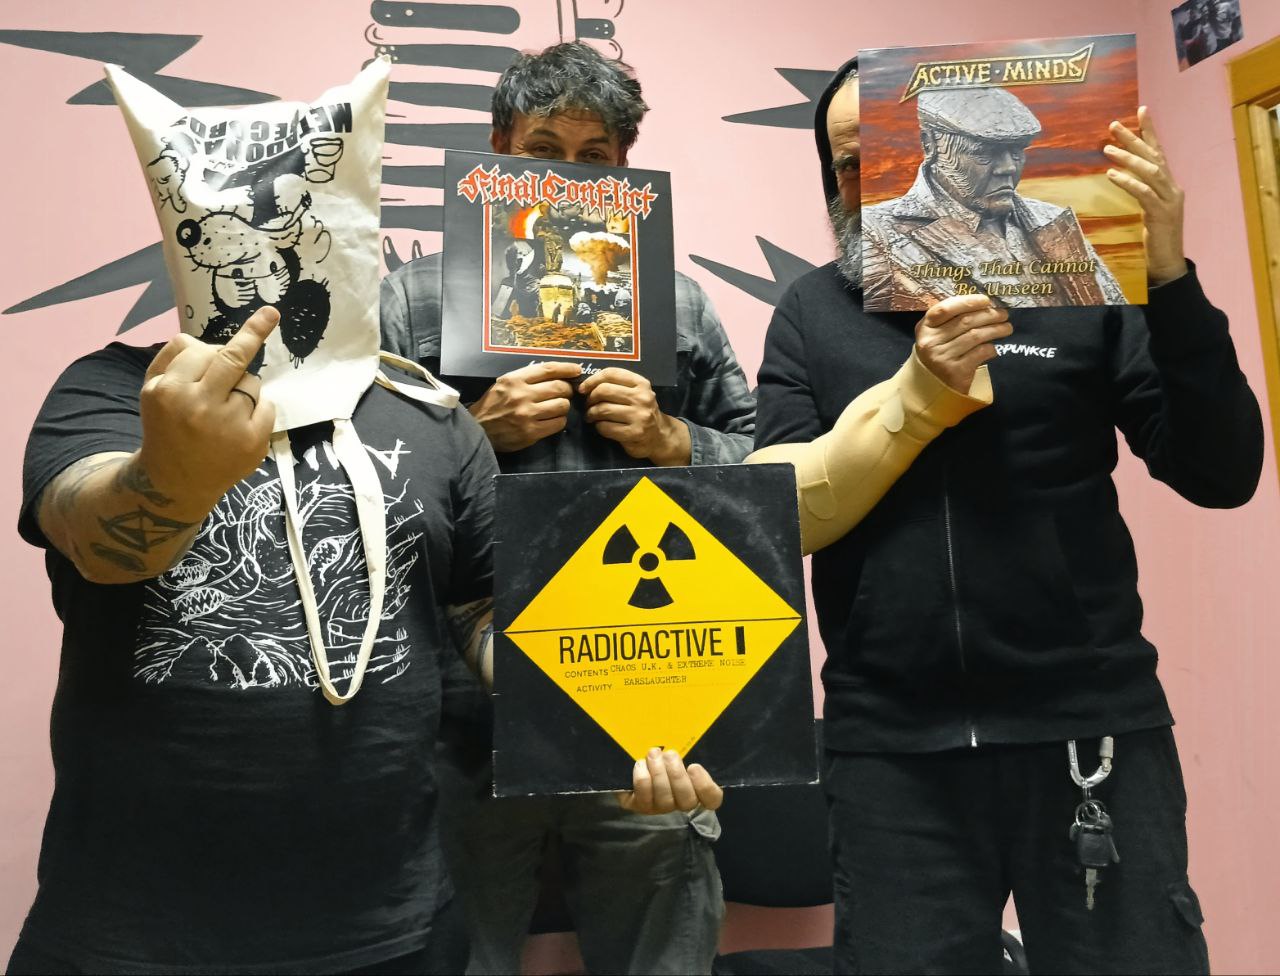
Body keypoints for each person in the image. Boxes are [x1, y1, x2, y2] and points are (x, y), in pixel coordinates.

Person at [6, 307, 722, 976]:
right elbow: (97, 542)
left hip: (392, 926)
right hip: (126, 929)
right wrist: (174, 473)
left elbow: (480, 610)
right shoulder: (114, 388)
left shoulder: (433, 415)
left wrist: (621, 732)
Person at [750, 59, 1263, 974]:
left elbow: (1222, 474)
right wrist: (919, 392)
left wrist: (1170, 279)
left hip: (1092, 726)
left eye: (1014, 151)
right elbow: (778, 519)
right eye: (846, 163)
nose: (862, 181)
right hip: (893, 751)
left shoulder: (1073, 265)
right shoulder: (811, 311)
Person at [380, 41, 754, 976]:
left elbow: (767, 479)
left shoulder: (680, 306)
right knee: (452, 956)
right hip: (458, 716)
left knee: (662, 953)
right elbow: (350, 488)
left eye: (595, 157)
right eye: (543, 151)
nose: (568, 175)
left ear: (626, 171)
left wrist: (675, 440)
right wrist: (473, 432)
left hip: (645, 700)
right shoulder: (411, 301)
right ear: (498, 151)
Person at [861, 86, 1126, 310]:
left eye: (1017, 152)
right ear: (930, 144)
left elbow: (1117, 315)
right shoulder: (876, 233)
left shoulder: (1053, 219)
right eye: (984, 153)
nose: (1008, 167)